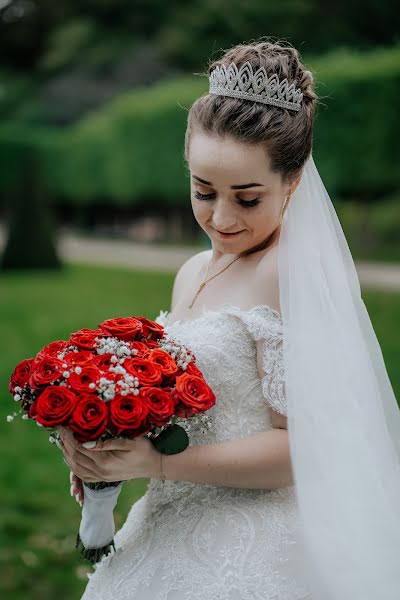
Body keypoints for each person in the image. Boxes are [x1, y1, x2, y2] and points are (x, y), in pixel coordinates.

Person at [61, 38, 400, 599]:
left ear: (291, 183)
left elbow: (301, 450)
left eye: (247, 198)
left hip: (253, 539)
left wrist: (160, 463)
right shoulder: (192, 270)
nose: (220, 218)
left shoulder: (290, 275)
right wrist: (111, 446)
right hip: (168, 519)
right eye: (202, 191)